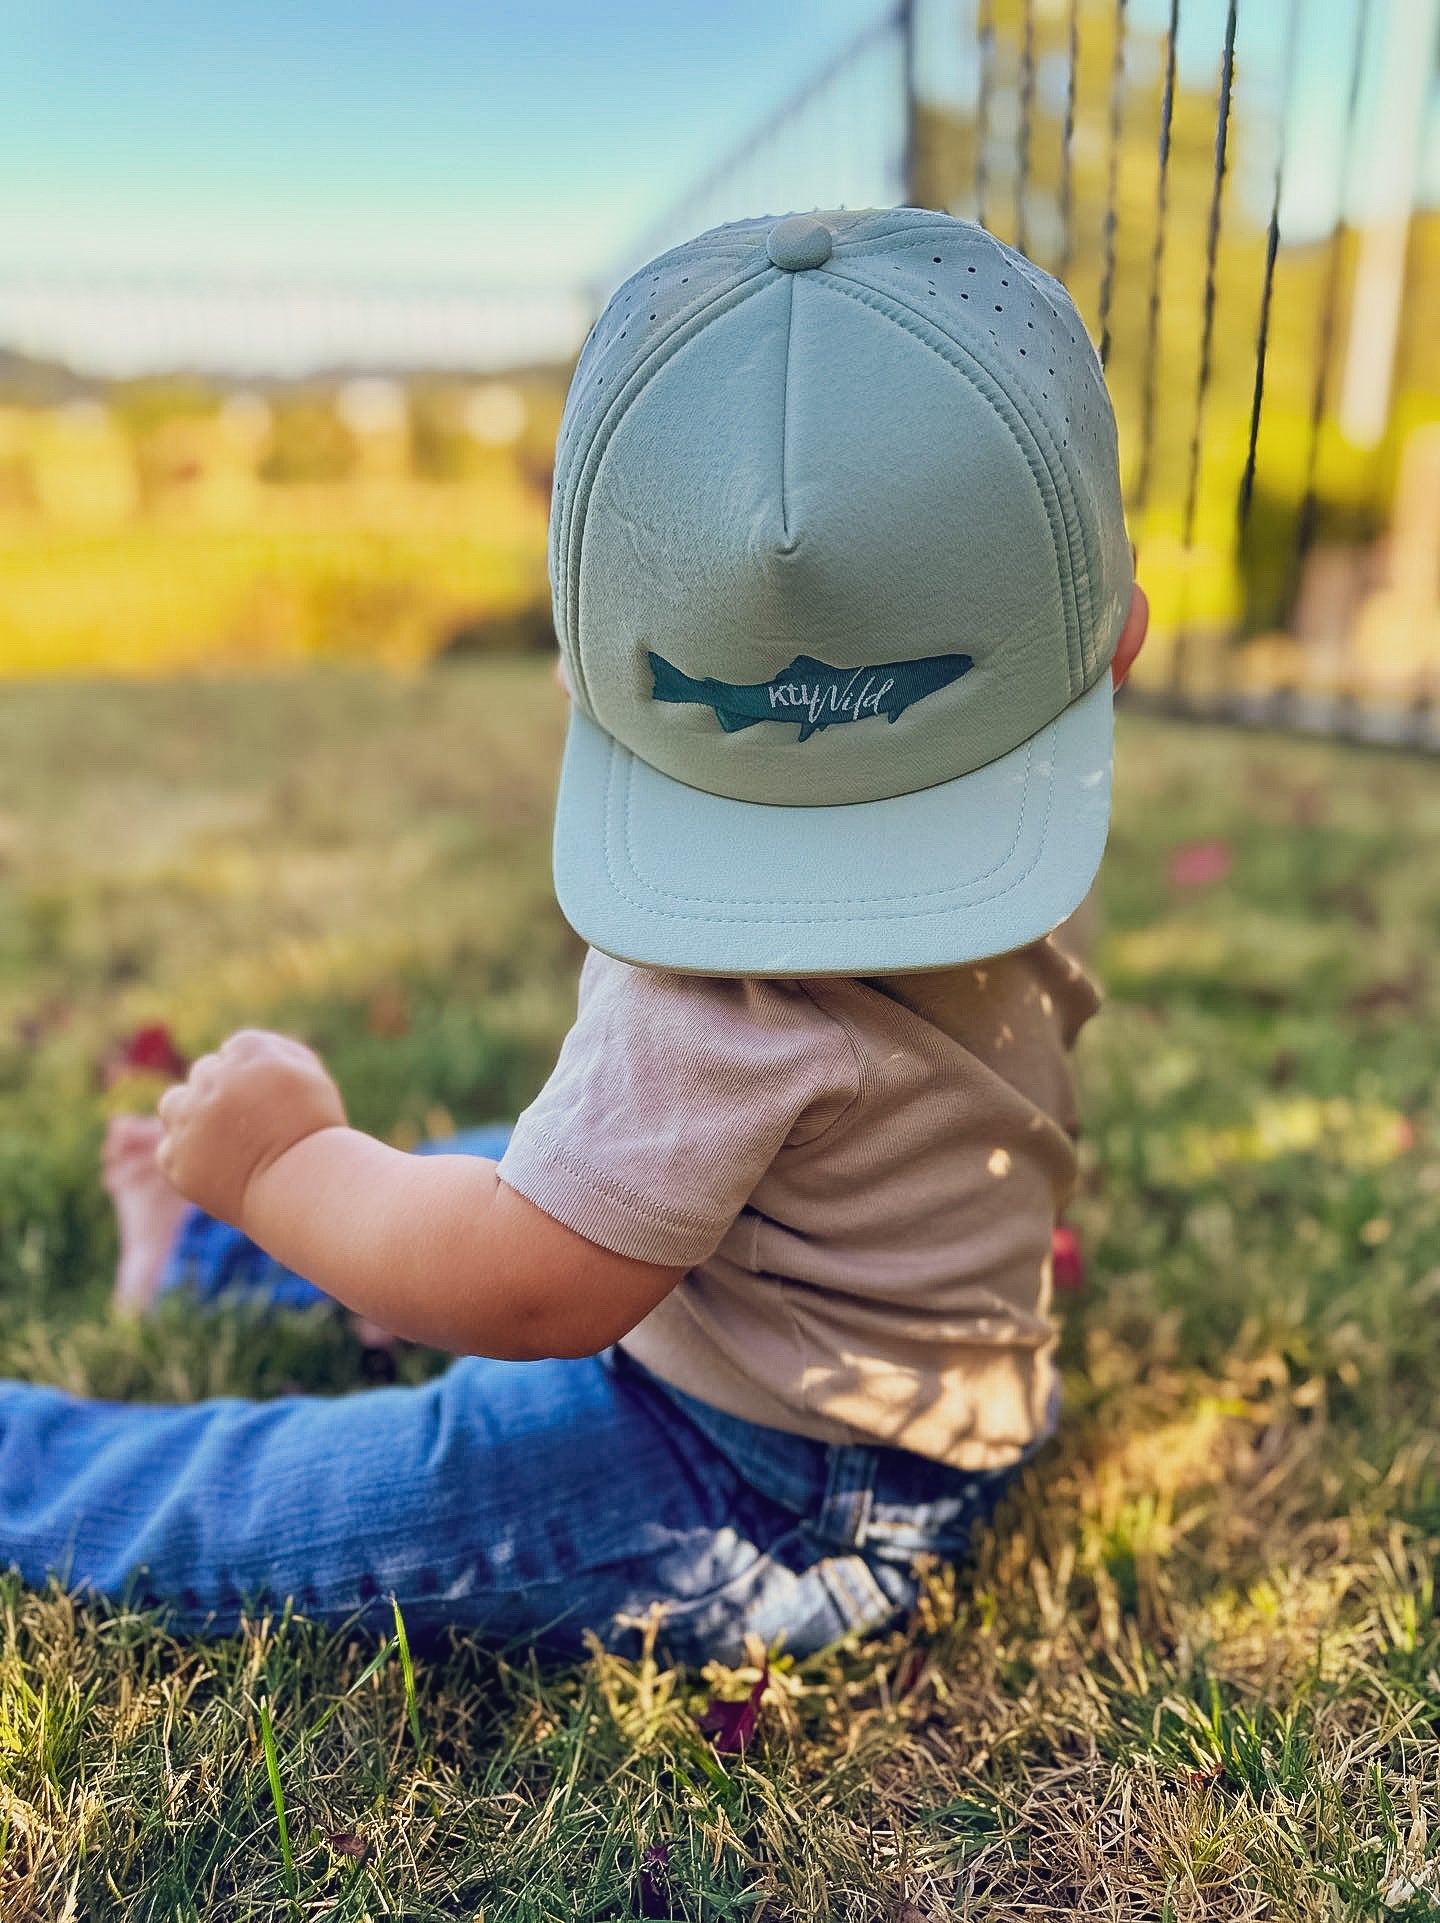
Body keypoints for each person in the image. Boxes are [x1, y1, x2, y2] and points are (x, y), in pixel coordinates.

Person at [7, 208, 1147, 1665]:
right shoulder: (1040, 791)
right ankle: (202, 1256)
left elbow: (535, 1281)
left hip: (761, 1485)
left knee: (282, 1498)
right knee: (509, 1156)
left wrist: (283, 1166)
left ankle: (65, 1417)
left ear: (584, 662)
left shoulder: (720, 979)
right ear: (1113, 633)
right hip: (913, 1388)